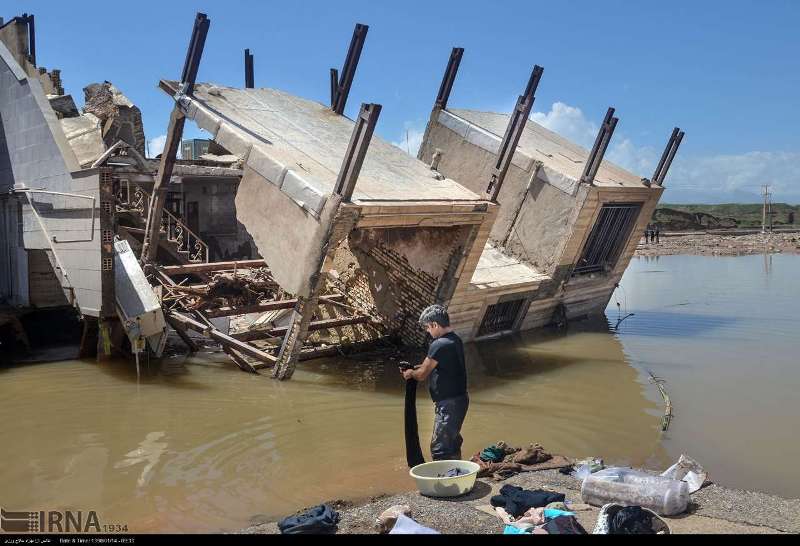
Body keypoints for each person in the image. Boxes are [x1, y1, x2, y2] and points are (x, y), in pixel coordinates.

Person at [400, 304, 469, 460]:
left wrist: (410, 373)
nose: (427, 331)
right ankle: (456, 469)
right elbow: (433, 366)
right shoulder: (454, 340)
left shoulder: (439, 344)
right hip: (458, 400)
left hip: (449, 404)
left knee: (440, 448)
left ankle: (446, 475)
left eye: (428, 327)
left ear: (435, 325)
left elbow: (422, 375)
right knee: (451, 442)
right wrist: (414, 369)